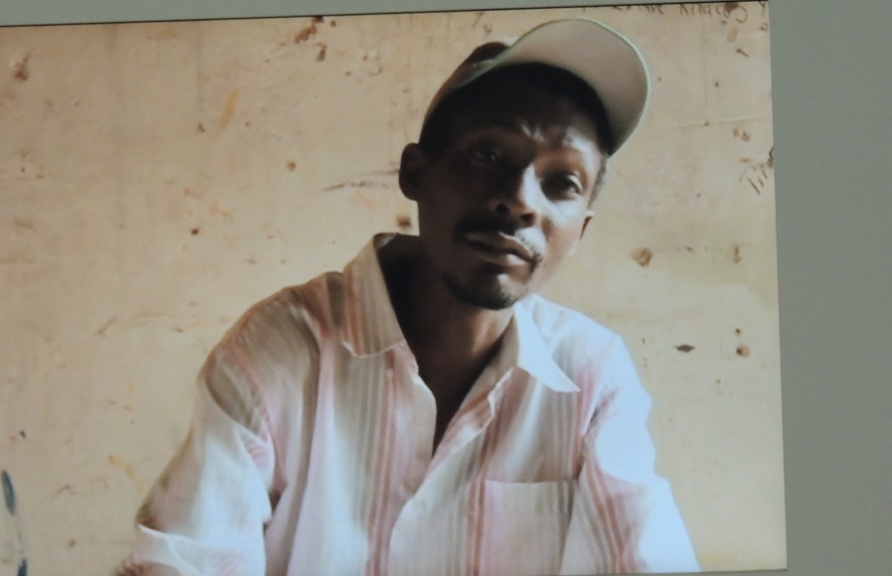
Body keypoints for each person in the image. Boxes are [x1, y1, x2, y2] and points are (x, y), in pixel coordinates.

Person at [120, 17, 700, 576]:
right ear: (415, 174)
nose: (521, 200)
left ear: (581, 232)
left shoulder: (591, 376)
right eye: (488, 156)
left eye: (562, 183)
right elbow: (185, 559)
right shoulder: (285, 349)